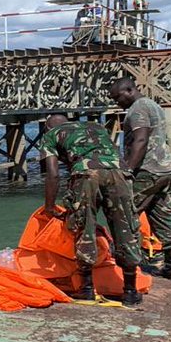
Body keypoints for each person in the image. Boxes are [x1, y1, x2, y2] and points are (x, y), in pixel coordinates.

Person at [38, 115, 143, 307]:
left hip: (86, 173)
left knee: (83, 227)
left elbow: (52, 174)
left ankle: (86, 288)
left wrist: (50, 206)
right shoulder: (96, 126)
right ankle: (130, 290)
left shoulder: (51, 134)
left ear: (47, 127)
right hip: (119, 171)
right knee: (126, 227)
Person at [108, 78, 171, 281]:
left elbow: (141, 139)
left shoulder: (137, 109)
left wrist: (129, 169)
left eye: (118, 97)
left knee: (124, 213)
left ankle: (125, 267)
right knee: (163, 215)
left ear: (130, 90)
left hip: (148, 170)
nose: (117, 102)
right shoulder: (153, 105)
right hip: (166, 169)